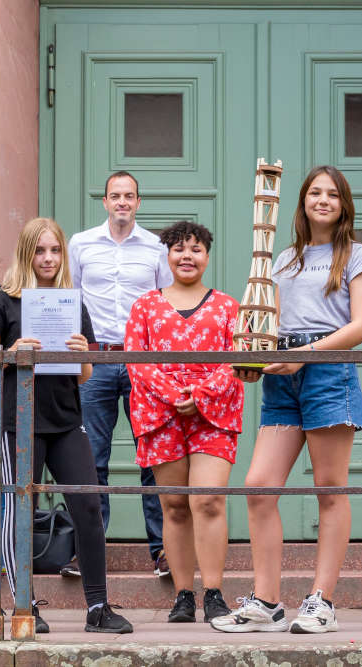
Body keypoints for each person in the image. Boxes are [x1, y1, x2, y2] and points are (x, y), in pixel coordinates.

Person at [212, 165, 362, 634]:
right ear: (302, 201)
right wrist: (257, 358)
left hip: (328, 369)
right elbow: (272, 323)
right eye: (314, 193)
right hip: (284, 374)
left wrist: (305, 354)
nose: (323, 200)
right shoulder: (283, 258)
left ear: (344, 204)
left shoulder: (359, 255)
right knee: (260, 486)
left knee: (329, 490)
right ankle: (266, 600)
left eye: (332, 194)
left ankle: (321, 600)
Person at [0, 217, 132, 634]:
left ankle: (98, 607)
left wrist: (84, 353)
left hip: (65, 419)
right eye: (40, 250)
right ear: (27, 253)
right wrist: (12, 351)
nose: (48, 258)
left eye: (55, 250)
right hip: (17, 422)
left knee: (88, 506)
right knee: (18, 508)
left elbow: (82, 376)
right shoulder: (3, 301)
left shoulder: (71, 303)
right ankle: (25, 605)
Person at [124, 221, 244, 624]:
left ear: (207, 257)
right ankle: (181, 594)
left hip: (214, 415)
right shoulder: (144, 306)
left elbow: (237, 358)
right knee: (174, 505)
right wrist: (174, 396)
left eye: (195, 249)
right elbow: (135, 361)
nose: (187, 256)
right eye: (178, 249)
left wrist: (203, 395)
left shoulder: (229, 307)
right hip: (161, 414)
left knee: (207, 499)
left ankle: (213, 592)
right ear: (167, 256)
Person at [68, 170, 172, 577]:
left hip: (141, 360)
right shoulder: (81, 244)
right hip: (95, 359)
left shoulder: (156, 247)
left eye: (130, 196)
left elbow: (164, 305)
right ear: (105, 202)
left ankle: (163, 552)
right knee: (91, 457)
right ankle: (87, 552)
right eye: (116, 196)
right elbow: (71, 298)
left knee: (152, 455)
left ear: (138, 203)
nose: (123, 202)